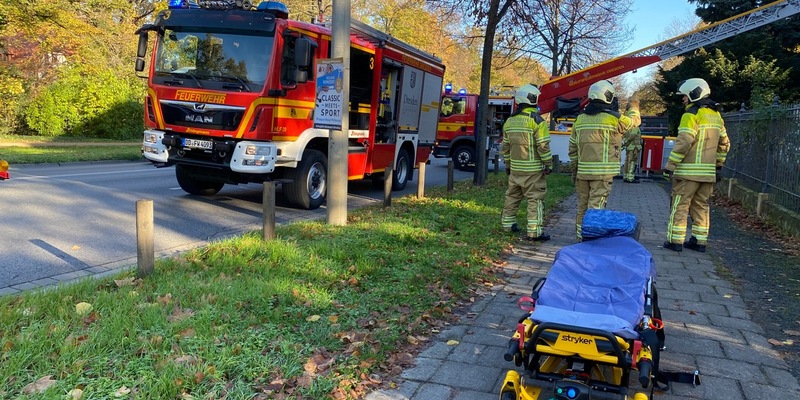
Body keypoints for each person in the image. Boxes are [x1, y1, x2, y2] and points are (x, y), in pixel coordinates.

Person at [663, 78, 730, 252]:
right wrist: (718, 165)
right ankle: (700, 241)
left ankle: (675, 241)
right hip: (708, 174)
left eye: (685, 96)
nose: (683, 99)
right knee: (701, 205)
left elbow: (684, 142)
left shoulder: (691, 114)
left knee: (680, 204)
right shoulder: (716, 115)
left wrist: (670, 165)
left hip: (687, 173)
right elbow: (725, 144)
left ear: (693, 94)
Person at [568, 80, 633, 240]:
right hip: (602, 175)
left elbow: (572, 149)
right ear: (608, 97)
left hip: (583, 173)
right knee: (596, 208)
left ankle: (580, 237)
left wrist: (574, 170)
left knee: (582, 206)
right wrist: (634, 107)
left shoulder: (580, 120)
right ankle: (591, 240)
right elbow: (633, 124)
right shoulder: (613, 119)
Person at [501, 83, 553, 241]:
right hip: (533, 170)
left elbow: (506, 147)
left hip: (516, 169)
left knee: (512, 197)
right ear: (533, 99)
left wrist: (508, 166)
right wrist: (548, 164)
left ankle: (507, 225)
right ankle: (534, 232)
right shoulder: (537, 121)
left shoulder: (510, 121)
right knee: (535, 199)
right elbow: (543, 146)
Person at [622, 98, 643, 183]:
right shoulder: (635, 126)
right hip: (634, 146)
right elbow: (633, 135)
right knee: (632, 162)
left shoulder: (628, 123)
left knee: (627, 161)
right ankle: (630, 177)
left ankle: (626, 176)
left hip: (629, 146)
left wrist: (625, 143)